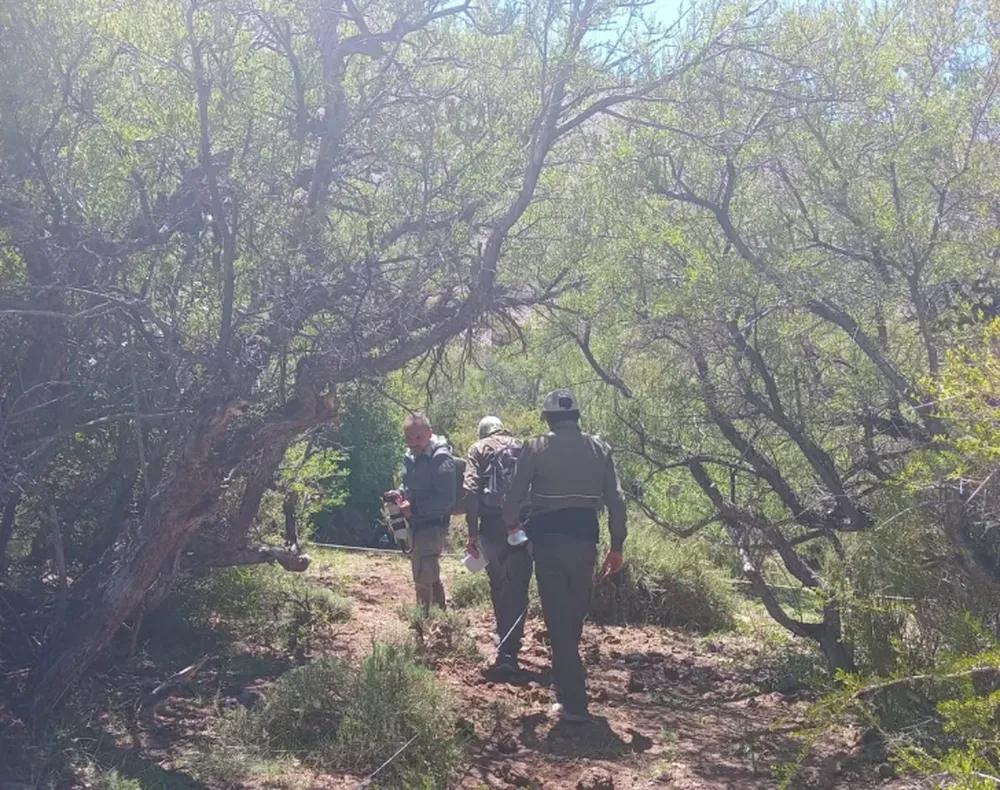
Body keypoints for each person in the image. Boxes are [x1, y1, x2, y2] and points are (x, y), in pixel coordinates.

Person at [502, 389, 626, 724]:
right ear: (577, 416)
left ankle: (575, 703)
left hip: (548, 543)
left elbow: (513, 499)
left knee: (558, 621)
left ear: (548, 418)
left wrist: (514, 527)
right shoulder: (600, 448)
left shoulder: (535, 447)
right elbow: (616, 500)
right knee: (572, 618)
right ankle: (566, 688)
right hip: (586, 542)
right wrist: (617, 546)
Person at [464, 416, 533, 675]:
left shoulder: (478, 448)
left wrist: (472, 533)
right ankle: (510, 650)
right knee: (519, 588)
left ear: (482, 432)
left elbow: (471, 491)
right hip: (522, 526)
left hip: (491, 528)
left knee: (498, 584)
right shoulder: (525, 446)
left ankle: (504, 643)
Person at [396, 412, 457, 611]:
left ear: (429, 433)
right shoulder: (412, 456)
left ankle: (424, 622)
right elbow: (408, 484)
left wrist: (413, 508)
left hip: (432, 525)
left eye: (418, 437)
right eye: (409, 438)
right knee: (429, 572)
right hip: (417, 523)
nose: (413, 442)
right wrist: (399, 495)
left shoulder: (440, 458)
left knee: (424, 575)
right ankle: (440, 619)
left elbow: (447, 499)